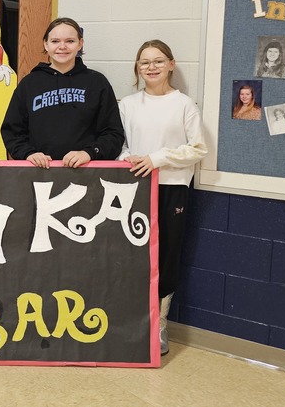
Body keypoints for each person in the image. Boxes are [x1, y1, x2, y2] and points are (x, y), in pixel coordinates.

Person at [118, 39, 207, 356]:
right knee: (132, 255)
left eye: (158, 61)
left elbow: (198, 148)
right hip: (135, 188)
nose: (151, 67)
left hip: (171, 188)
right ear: (137, 68)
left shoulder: (184, 104)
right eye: (144, 62)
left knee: (166, 256)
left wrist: (156, 159)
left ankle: (159, 327)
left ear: (171, 64)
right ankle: (131, 321)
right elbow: (121, 145)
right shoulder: (127, 105)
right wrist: (128, 158)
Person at [1, 17, 125, 169]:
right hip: (38, 172)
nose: (62, 46)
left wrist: (90, 153)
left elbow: (113, 133)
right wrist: (28, 154)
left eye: (70, 41)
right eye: (55, 41)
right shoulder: (29, 84)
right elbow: (12, 131)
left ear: (80, 44)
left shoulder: (97, 82)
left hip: (86, 173)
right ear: (45, 44)